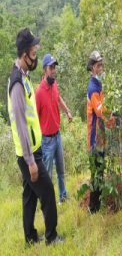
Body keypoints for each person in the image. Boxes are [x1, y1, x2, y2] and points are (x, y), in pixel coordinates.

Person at [7, 28, 63, 246]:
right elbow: (21, 124)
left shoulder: (23, 75)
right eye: (33, 51)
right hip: (28, 153)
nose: (36, 55)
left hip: (33, 147)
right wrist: (30, 161)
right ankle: (51, 237)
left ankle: (30, 237)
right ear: (24, 54)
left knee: (29, 195)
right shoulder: (17, 84)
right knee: (47, 192)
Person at [35, 54, 73, 204]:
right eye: (51, 67)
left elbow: (59, 99)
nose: (53, 70)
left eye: (54, 67)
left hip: (57, 136)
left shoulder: (54, 85)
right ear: (45, 70)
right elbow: (35, 118)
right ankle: (47, 202)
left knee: (61, 171)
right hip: (46, 140)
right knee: (47, 174)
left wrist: (68, 111)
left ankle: (63, 196)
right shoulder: (39, 93)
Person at [86, 51, 115, 213]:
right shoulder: (93, 88)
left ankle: (97, 204)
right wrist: (113, 119)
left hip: (100, 136)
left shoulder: (99, 85)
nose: (100, 68)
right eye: (98, 66)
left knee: (100, 169)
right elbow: (100, 112)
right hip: (94, 138)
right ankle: (93, 208)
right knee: (96, 172)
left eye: (101, 65)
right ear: (91, 68)